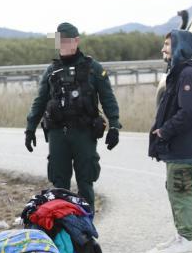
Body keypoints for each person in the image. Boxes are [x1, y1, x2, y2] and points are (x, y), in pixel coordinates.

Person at [24, 22, 121, 212]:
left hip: (84, 133)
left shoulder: (93, 68)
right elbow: (40, 101)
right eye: (59, 42)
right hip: (58, 134)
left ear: (76, 41)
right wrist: (30, 129)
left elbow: (108, 98)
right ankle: (63, 229)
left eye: (66, 41)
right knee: (59, 185)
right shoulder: (51, 71)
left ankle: (87, 231)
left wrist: (115, 126)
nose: (63, 45)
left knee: (85, 182)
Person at [149, 30, 192, 253]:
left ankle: (186, 241)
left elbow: (189, 111)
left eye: (167, 44)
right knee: (176, 189)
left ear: (179, 47)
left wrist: (165, 130)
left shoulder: (187, 74)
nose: (163, 49)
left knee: (182, 190)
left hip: (183, 146)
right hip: (176, 147)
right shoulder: (179, 73)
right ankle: (180, 236)